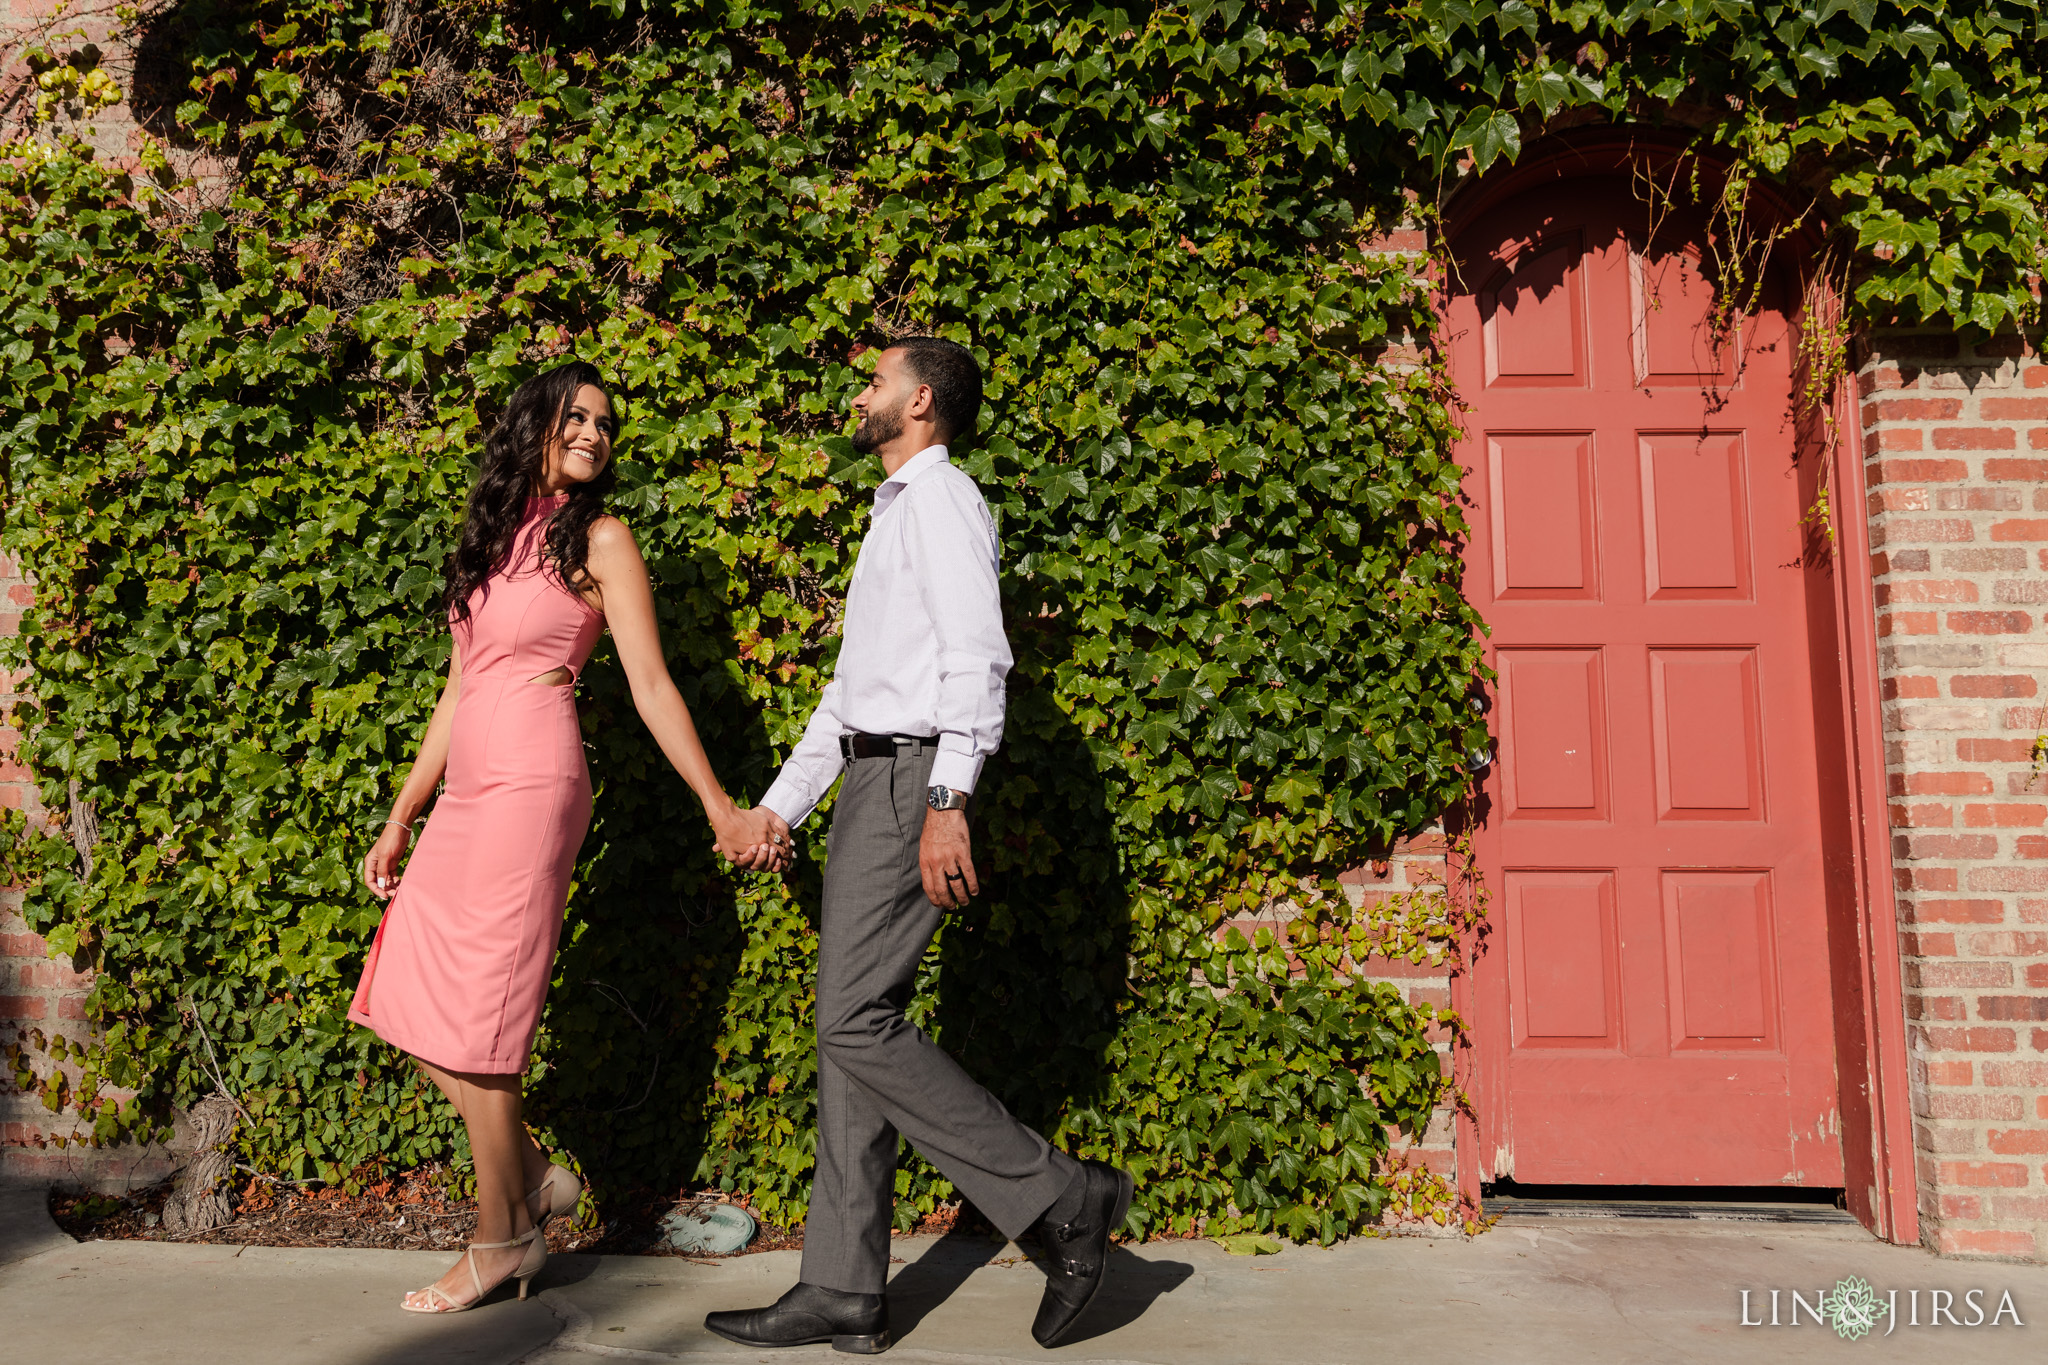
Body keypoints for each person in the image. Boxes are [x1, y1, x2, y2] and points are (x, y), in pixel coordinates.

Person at [703, 337, 1134, 1355]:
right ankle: (843, 1291)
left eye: (875, 379)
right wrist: (782, 807)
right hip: (871, 774)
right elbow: (849, 698)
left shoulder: (941, 502)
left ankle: (1062, 1195)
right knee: (855, 1029)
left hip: (908, 781)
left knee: (852, 1021)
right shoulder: (894, 509)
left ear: (921, 401)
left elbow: (977, 659)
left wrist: (949, 799)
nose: (859, 393)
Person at [349, 361, 786, 1313]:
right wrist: (401, 814)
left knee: (483, 1028)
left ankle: (503, 1238)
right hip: (466, 790)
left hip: (535, 784)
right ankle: (536, 1176)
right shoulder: (496, 536)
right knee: (402, 995)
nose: (594, 432)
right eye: (576, 415)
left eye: (606, 422)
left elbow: (651, 684)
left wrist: (719, 804)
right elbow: (457, 689)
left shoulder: (601, 538)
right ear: (536, 423)